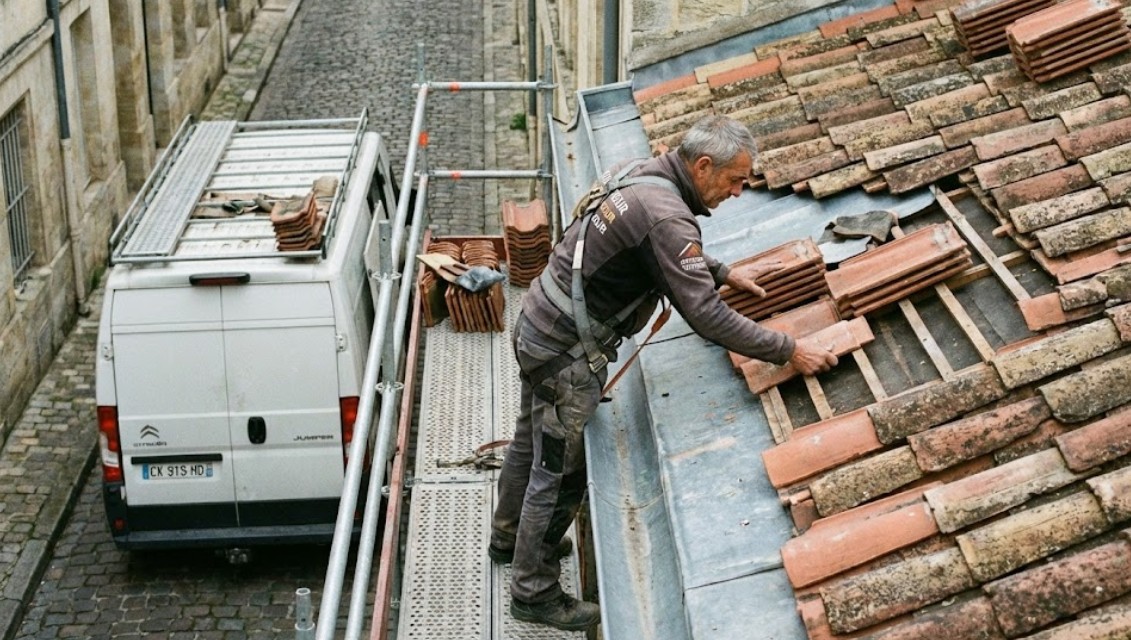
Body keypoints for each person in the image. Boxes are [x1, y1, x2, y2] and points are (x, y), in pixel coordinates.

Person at [487, 114, 838, 631]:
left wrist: (720, 269)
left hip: (539, 321)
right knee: (559, 472)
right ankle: (533, 591)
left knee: (529, 440)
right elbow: (707, 316)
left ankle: (509, 536)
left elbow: (651, 245)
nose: (740, 192)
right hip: (563, 353)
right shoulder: (669, 218)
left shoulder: (640, 170)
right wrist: (789, 350)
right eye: (735, 180)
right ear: (701, 166)